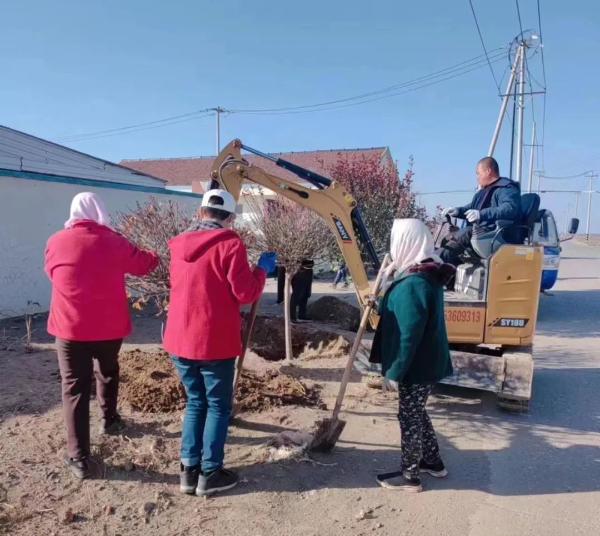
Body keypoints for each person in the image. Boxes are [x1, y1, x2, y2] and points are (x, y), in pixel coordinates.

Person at [162, 189, 273, 497]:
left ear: (200, 213)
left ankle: (188, 471)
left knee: (195, 402)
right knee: (217, 407)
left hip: (179, 341)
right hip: (213, 342)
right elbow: (245, 293)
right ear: (230, 218)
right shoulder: (230, 244)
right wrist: (262, 270)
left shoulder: (177, 244)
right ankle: (210, 473)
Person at [45, 192, 159, 479]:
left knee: (73, 388)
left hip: (69, 329)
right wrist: (156, 252)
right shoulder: (114, 241)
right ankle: (109, 420)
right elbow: (145, 264)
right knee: (107, 371)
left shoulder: (55, 241)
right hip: (109, 329)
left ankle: (79, 457)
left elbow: (52, 272)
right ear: (100, 211)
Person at [370, 219, 455, 493]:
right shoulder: (421, 272)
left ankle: (410, 477)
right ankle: (433, 461)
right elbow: (399, 306)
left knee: (408, 417)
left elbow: (409, 333)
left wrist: (394, 371)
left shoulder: (414, 282)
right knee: (416, 412)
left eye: (396, 240)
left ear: (406, 242)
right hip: (426, 362)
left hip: (417, 365)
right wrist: (381, 298)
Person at [438, 157, 521, 267]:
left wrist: (481, 214)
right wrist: (457, 211)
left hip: (497, 233)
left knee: (465, 233)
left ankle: (434, 263)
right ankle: (450, 273)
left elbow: (509, 208)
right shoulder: (484, 191)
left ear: (488, 171)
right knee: (449, 237)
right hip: (482, 231)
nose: (477, 177)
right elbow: (472, 207)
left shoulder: (506, 188)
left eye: (478, 173)